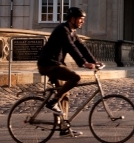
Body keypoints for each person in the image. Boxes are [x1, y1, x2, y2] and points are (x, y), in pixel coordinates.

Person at [37, 7, 104, 137]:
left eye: (83, 19)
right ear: (72, 19)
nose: (82, 21)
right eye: (80, 19)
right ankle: (52, 102)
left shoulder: (71, 31)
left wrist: (94, 62)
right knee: (75, 78)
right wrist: (84, 63)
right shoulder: (63, 30)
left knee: (65, 94)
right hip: (48, 64)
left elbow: (81, 47)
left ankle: (63, 128)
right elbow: (70, 47)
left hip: (55, 64)